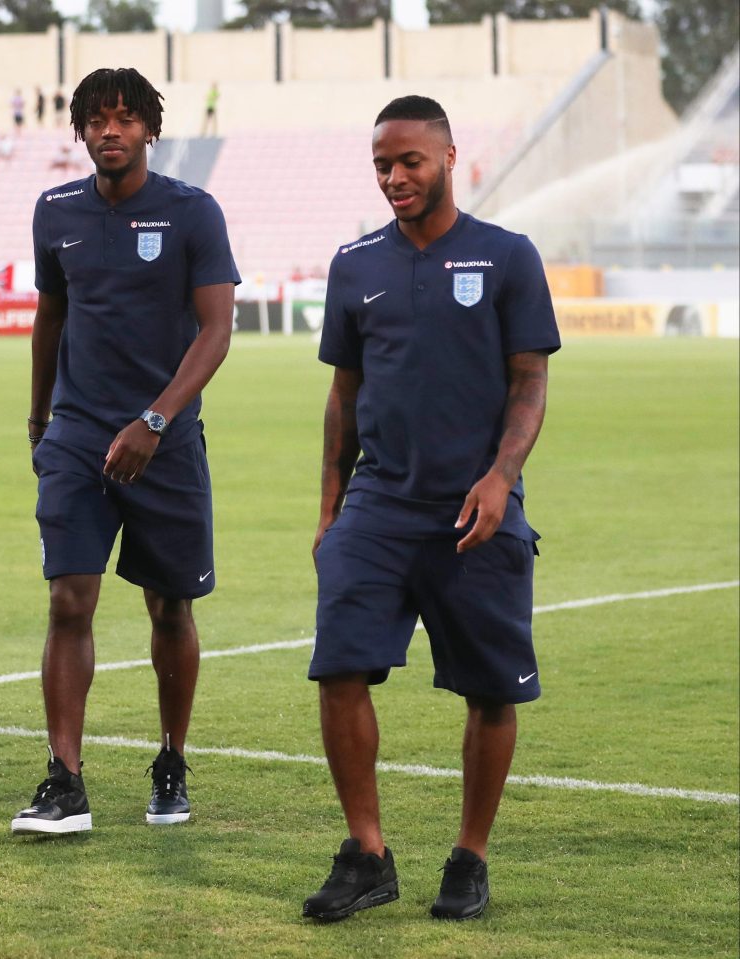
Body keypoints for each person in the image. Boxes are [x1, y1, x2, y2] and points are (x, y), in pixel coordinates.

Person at [302, 95, 560, 923]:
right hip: (377, 503)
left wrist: (500, 476)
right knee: (338, 666)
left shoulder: (507, 255)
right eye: (382, 164)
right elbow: (344, 393)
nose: (394, 176)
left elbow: (530, 381)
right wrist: (330, 502)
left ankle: (469, 856)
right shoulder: (355, 264)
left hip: (473, 506)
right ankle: (367, 851)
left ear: (451, 157)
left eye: (410, 160)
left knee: (491, 690)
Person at [12, 67, 240, 836]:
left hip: (165, 440)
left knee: (169, 605)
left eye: (126, 118)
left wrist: (155, 419)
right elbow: (50, 317)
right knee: (68, 599)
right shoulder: (55, 211)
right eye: (97, 119)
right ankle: (65, 777)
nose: (111, 130)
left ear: (150, 129)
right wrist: (40, 419)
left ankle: (170, 759)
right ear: (78, 130)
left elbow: (216, 332)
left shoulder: (191, 212)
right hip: (77, 437)